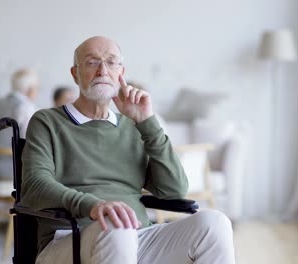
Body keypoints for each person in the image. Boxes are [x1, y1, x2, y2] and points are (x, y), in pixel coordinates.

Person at [21, 36, 236, 264]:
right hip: (69, 240)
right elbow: (35, 184)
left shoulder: (133, 126)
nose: (103, 70)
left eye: (111, 62)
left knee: (214, 224)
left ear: (121, 72)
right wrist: (93, 206)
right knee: (117, 224)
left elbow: (174, 189)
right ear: (75, 73)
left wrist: (147, 122)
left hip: (138, 238)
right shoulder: (47, 121)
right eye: (92, 62)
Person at [0, 68, 40, 180]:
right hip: (14, 173)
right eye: (37, 89)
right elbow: (32, 143)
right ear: (30, 89)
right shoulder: (26, 107)